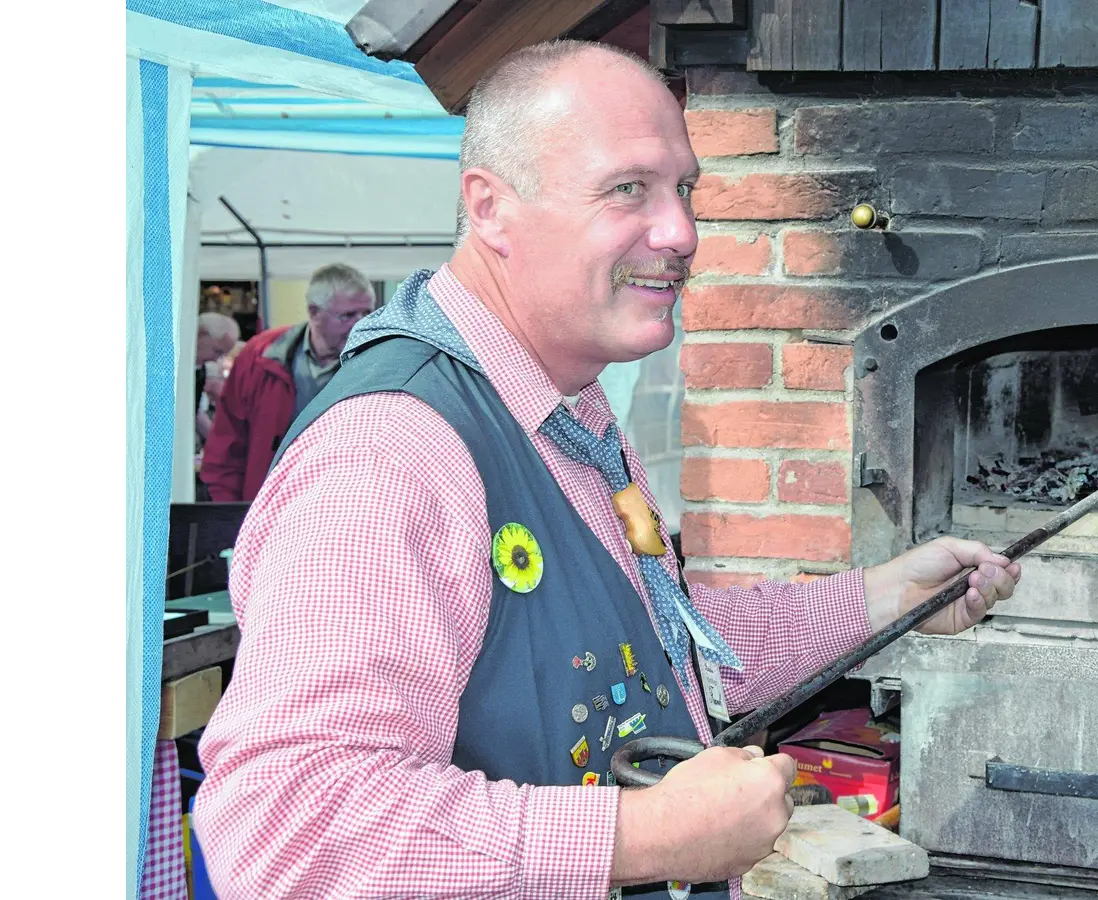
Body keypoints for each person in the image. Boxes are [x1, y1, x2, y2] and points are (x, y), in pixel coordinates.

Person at [192, 41, 1021, 900]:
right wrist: (642, 836)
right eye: (628, 189)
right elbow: (286, 826)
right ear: (491, 208)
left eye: (684, 189)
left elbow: (648, 644)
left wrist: (883, 601)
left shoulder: (567, 409)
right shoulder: (392, 450)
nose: (682, 234)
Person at [197, 263, 375, 502]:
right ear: (314, 312)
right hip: (266, 504)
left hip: (340, 506)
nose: (359, 324)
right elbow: (227, 443)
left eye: (367, 314)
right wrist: (230, 512)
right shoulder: (259, 355)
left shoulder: (376, 363)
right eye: (347, 316)